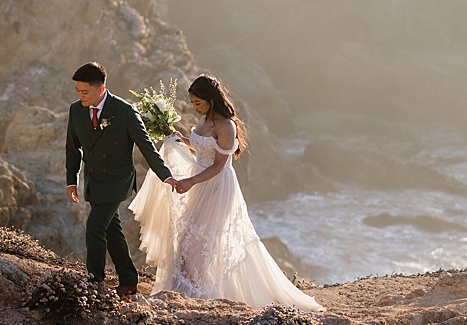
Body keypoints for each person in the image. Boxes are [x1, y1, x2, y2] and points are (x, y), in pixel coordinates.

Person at [127, 75, 322, 311]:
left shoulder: (226, 125)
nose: (194, 107)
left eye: (198, 102)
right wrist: (183, 140)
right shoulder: (204, 118)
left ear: (211, 100)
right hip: (200, 182)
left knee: (198, 240)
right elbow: (203, 147)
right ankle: (187, 291)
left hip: (217, 186)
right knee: (187, 238)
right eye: (192, 102)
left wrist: (190, 181)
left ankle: (198, 294)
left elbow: (219, 164)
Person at [65, 62, 175, 296]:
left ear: (101, 89)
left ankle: (93, 283)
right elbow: (72, 148)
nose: (80, 96)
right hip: (94, 180)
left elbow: (146, 147)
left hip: (117, 180)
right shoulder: (76, 110)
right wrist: (71, 180)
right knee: (111, 230)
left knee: (94, 227)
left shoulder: (124, 111)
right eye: (77, 91)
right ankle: (128, 280)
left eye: (85, 92)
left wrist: (166, 176)